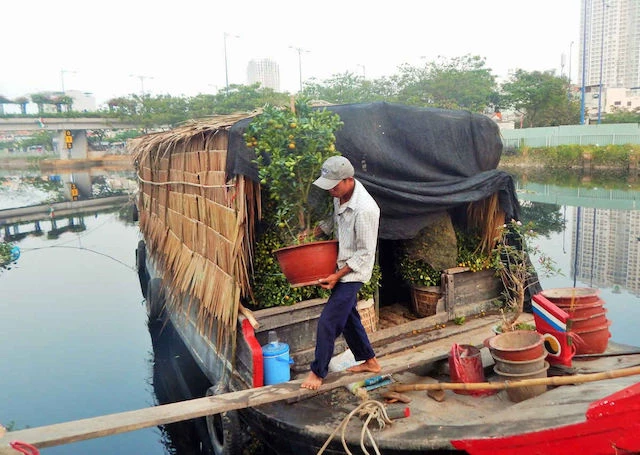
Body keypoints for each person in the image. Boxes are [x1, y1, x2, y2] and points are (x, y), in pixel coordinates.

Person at [301, 155, 381, 390]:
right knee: (348, 319)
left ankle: (317, 372)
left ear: (348, 180)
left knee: (329, 321)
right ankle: (371, 362)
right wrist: (315, 232)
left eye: (334, 186)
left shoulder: (366, 209)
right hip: (341, 266)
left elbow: (365, 254)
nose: (330, 191)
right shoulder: (341, 196)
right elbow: (334, 221)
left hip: (353, 272)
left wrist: (337, 275)